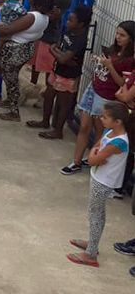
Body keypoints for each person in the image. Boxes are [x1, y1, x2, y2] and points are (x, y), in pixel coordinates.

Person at [60, 21, 134, 175]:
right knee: (84, 126)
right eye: (117, 33)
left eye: (122, 35)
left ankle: (94, 160)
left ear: (131, 38)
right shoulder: (114, 50)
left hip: (106, 97)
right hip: (93, 89)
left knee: (100, 132)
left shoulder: (130, 60)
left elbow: (122, 83)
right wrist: (101, 62)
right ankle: (76, 161)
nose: (118, 37)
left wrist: (109, 66)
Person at [66, 101, 133, 267]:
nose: (100, 118)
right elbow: (96, 148)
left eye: (105, 117)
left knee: (95, 214)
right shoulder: (110, 131)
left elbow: (92, 158)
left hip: (104, 181)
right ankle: (92, 244)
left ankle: (91, 254)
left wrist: (95, 156)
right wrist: (96, 155)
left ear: (118, 121)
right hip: (99, 176)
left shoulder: (119, 142)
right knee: (96, 213)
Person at [28, 6, 91, 139]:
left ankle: (58, 130)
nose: (68, 22)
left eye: (71, 20)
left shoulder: (80, 39)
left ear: (81, 24)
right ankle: (45, 121)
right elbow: (61, 55)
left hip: (69, 75)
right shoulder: (69, 31)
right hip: (57, 70)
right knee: (49, 95)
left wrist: (54, 52)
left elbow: (63, 57)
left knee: (63, 103)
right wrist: (57, 53)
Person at [0, 0, 53, 121]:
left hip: (14, 50)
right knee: (11, 78)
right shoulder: (45, 18)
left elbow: (8, 29)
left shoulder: (32, 16)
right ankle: (11, 103)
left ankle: (14, 111)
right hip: (26, 48)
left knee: (11, 79)